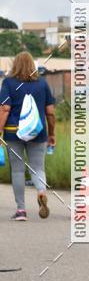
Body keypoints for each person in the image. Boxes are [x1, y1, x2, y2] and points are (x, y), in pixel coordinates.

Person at [0, 50, 56, 221]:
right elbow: (50, 112)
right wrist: (52, 134)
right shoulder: (42, 84)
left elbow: (5, 109)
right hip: (37, 132)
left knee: (17, 170)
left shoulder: (8, 83)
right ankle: (41, 191)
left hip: (13, 132)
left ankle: (21, 211)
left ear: (15, 65)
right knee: (38, 168)